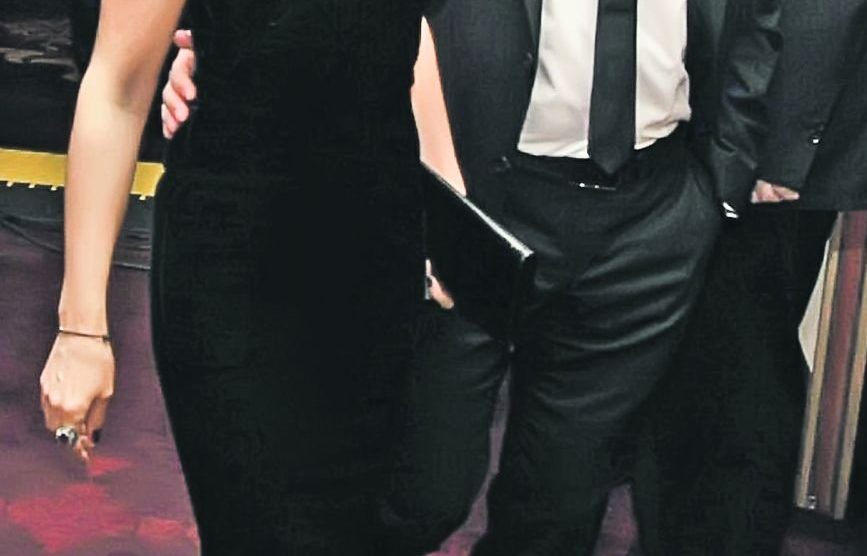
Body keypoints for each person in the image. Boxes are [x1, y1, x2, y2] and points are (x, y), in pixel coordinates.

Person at [163, 1, 782, 554]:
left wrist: (721, 182)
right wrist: (235, 60)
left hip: (652, 216)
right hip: (472, 196)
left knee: (562, 503)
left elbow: (756, 19)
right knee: (419, 489)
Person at [38, 0, 445, 554]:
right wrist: (81, 330)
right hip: (238, 264)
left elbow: (408, 34)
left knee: (360, 529)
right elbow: (117, 87)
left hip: (377, 264)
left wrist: (448, 220)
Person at [633, 0, 867, 554]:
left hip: (763, 136)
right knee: (710, 371)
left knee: (732, 379)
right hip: (744, 127)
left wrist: (773, 149)